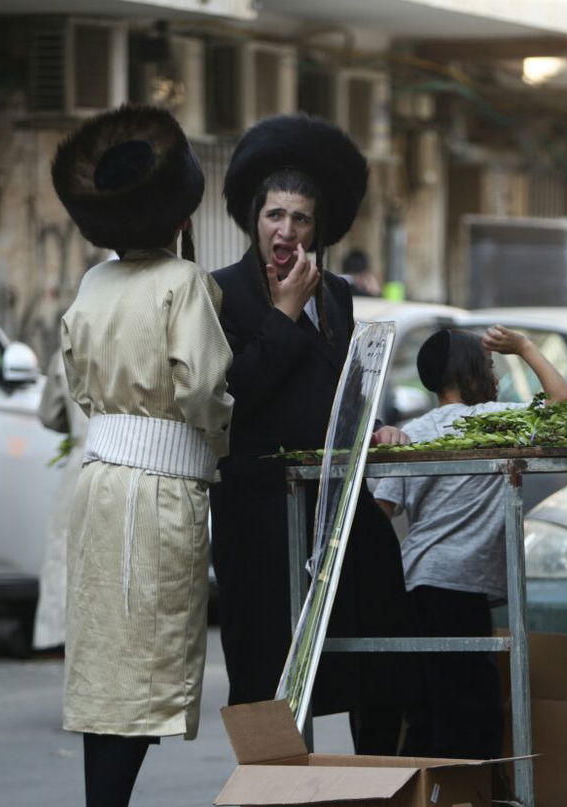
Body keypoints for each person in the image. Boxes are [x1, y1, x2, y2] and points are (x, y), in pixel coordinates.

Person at [50, 104, 233, 807]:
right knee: (149, 654)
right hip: (159, 487)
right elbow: (205, 390)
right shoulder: (184, 282)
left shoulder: (93, 282)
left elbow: (73, 381)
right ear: (181, 207)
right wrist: (219, 442)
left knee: (108, 655)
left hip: (98, 485)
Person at [210, 114, 412, 754]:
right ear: (254, 219)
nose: (286, 232)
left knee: (381, 636)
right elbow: (233, 395)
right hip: (260, 509)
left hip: (335, 503)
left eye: (299, 219)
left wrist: (373, 427)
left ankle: (379, 794)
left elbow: (345, 386)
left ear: (317, 227)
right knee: (266, 663)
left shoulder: (340, 294)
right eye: (274, 216)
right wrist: (284, 315)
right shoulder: (222, 293)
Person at [374, 326, 567, 759]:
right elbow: (562, 405)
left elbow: (382, 511)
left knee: (429, 708)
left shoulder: (412, 431)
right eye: (489, 367)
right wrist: (524, 347)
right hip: (457, 588)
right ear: (471, 375)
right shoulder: (494, 422)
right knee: (472, 710)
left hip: (416, 583)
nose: (495, 377)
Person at [31, 351, 87, 652]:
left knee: (64, 545)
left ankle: (59, 631)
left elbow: (50, 414)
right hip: (136, 457)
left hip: (82, 458)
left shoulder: (72, 332)